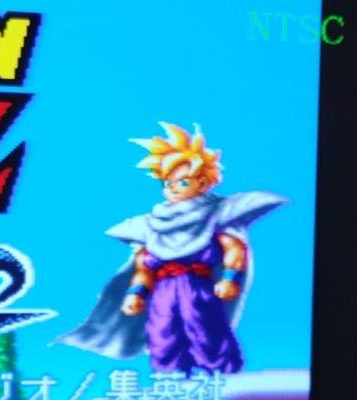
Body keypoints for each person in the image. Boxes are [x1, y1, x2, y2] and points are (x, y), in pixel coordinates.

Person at [58, 122, 285, 372]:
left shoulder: (216, 214)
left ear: (202, 182)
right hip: (163, 294)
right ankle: (173, 384)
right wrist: (136, 294)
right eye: (168, 183)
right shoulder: (151, 224)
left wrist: (230, 278)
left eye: (183, 182)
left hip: (198, 290)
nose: (173, 188)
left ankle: (219, 382)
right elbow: (144, 267)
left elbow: (234, 250)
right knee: (162, 338)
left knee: (206, 336)